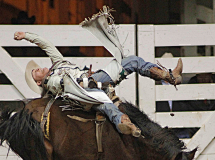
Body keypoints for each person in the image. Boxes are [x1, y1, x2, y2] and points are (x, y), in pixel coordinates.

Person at [14, 12, 182, 138]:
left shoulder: (58, 63)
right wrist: (82, 83)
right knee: (103, 102)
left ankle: (169, 76)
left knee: (131, 62)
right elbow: (64, 85)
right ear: (38, 83)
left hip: (92, 81)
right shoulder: (50, 83)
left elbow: (46, 45)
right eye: (36, 72)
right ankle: (125, 123)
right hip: (82, 91)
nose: (39, 68)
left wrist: (26, 36)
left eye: (36, 68)